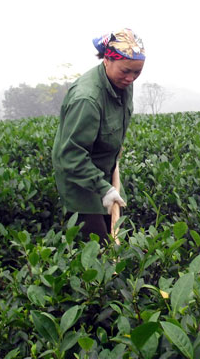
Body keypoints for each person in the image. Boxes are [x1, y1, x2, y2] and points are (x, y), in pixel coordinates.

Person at [52, 28, 145, 244]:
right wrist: (103, 188)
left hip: (106, 173)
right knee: (98, 248)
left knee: (117, 236)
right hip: (81, 183)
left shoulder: (122, 84)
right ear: (107, 60)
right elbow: (70, 155)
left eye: (137, 72)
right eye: (125, 71)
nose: (130, 78)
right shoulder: (87, 99)